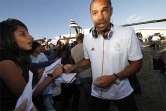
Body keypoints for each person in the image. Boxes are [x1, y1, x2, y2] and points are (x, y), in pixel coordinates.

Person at [64, 0, 143, 110]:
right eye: (95, 13)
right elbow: (88, 60)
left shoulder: (127, 33)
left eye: (104, 10)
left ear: (111, 11)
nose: (100, 17)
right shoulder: (87, 39)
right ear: (91, 15)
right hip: (97, 93)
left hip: (122, 91)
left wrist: (114, 77)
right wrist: (74, 66)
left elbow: (137, 63)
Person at [0, 18, 65, 111]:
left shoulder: (16, 59)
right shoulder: (4, 60)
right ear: (8, 37)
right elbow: (26, 97)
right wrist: (52, 75)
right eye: (23, 34)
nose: (31, 37)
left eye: (28, 33)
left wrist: (38, 79)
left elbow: (27, 90)